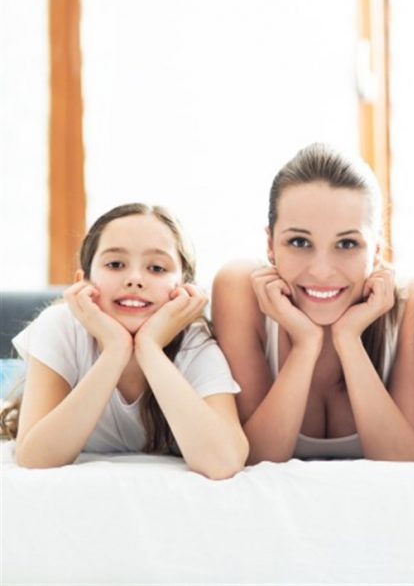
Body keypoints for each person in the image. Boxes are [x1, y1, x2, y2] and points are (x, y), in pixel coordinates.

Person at [211, 143, 414, 463]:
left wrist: (349, 340)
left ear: (376, 250)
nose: (322, 271)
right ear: (270, 245)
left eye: (347, 244)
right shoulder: (240, 289)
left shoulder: (406, 301)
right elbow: (252, 459)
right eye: (299, 242)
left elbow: (410, 465)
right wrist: (305, 345)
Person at [0, 203, 247, 479]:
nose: (135, 279)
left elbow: (224, 461)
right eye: (115, 264)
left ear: (183, 289)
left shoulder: (195, 343)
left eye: (157, 268)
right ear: (84, 282)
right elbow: (35, 458)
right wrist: (115, 350)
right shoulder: (61, 326)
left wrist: (149, 348)